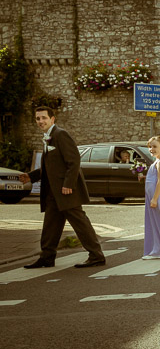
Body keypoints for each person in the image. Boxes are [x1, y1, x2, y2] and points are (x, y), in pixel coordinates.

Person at [19, 106, 106, 269]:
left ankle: (96, 256)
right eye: (38, 119)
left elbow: (73, 162)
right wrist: (31, 176)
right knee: (50, 226)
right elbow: (51, 166)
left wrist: (68, 185)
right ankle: (47, 257)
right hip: (53, 192)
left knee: (80, 223)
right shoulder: (48, 137)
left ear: (52, 119)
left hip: (66, 191)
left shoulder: (60, 134)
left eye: (43, 118)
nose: (40, 121)